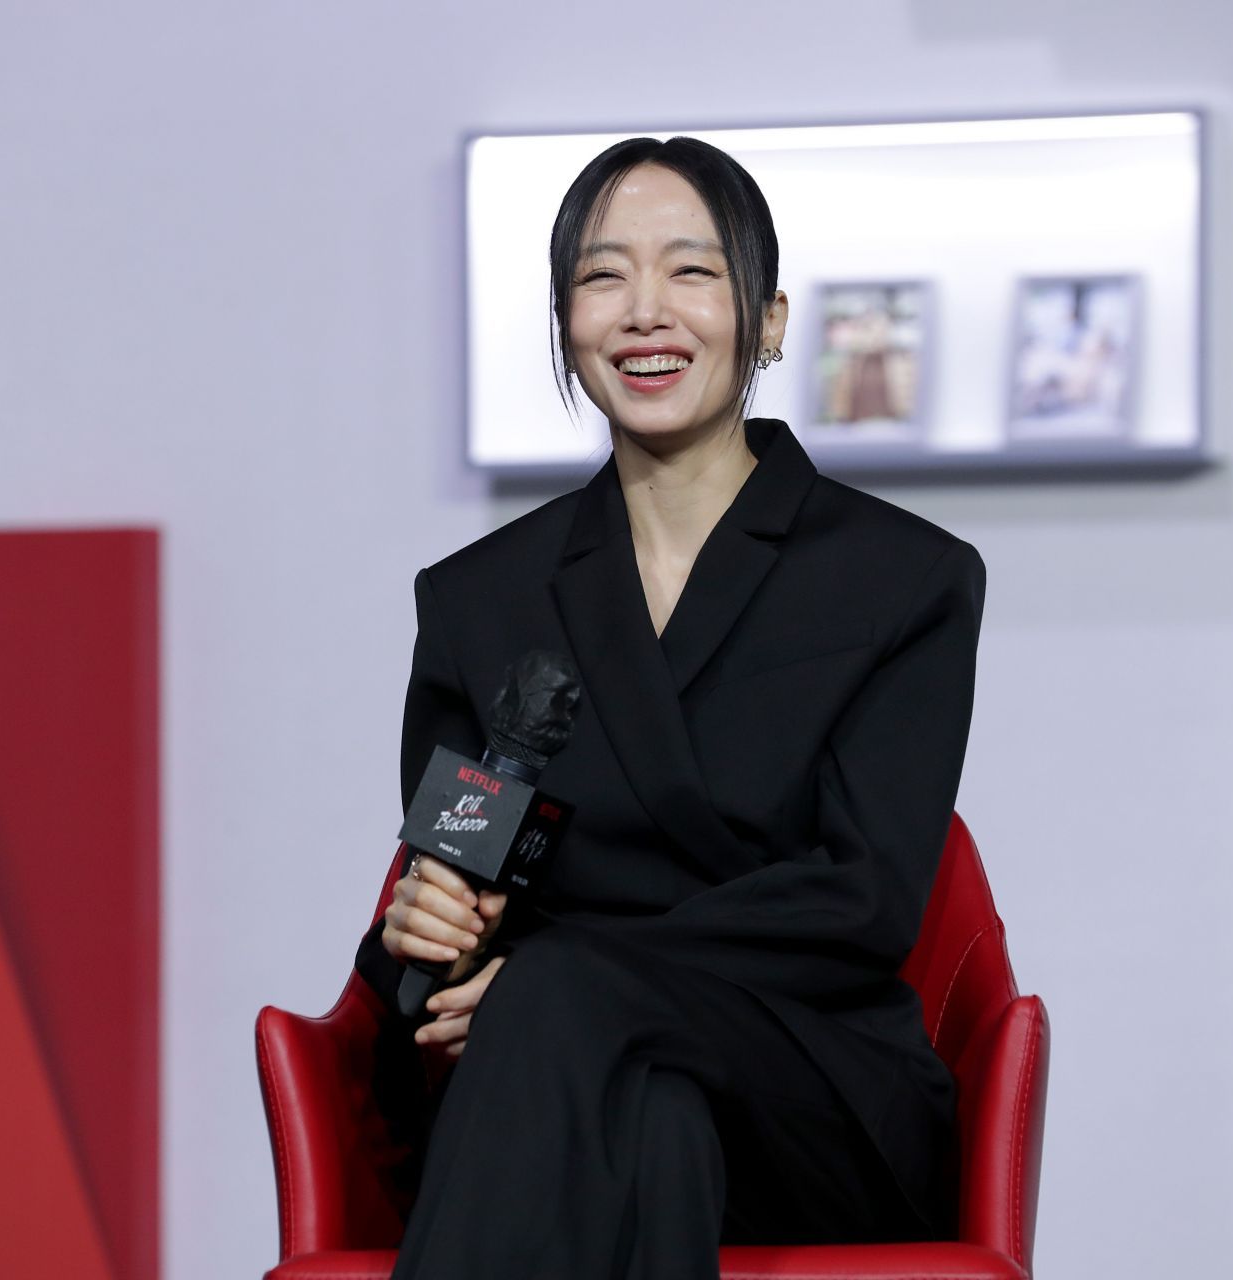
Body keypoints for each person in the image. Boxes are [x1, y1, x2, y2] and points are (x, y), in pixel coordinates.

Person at [352, 135, 987, 1279]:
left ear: (771, 316)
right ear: (564, 322)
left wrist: (565, 973)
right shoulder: (479, 601)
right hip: (566, 1083)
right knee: (646, 1115)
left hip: (816, 1085)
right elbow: (454, 882)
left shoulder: (905, 577)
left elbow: (862, 901)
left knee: (579, 1023)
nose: (646, 311)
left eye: (691, 271)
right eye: (603, 277)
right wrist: (431, 934)